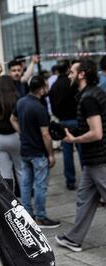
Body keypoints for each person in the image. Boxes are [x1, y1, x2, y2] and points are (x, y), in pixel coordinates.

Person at [55, 59, 106, 252]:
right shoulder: (91, 93)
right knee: (84, 198)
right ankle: (74, 239)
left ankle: (74, 238)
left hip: (99, 160)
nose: (69, 75)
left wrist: (73, 140)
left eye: (71, 72)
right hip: (93, 160)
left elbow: (97, 132)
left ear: (82, 74)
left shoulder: (89, 98)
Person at [10, 75, 60, 228]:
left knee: (26, 185)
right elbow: (45, 134)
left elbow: (12, 119)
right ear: (41, 89)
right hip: (38, 153)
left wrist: (22, 134)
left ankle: (27, 215)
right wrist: (51, 154)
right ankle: (40, 216)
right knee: (40, 185)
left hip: (25, 150)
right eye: (46, 86)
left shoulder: (21, 102)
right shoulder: (39, 108)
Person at [0, 75, 23, 193]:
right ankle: (25, 197)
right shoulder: (16, 98)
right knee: (20, 169)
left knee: (5, 172)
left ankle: (9, 201)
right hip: (15, 136)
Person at [48, 60, 82, 190]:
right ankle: (88, 177)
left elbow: (52, 105)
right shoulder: (72, 83)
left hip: (63, 122)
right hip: (76, 120)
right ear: (68, 69)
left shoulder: (54, 85)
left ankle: (70, 181)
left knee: (67, 153)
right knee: (82, 151)